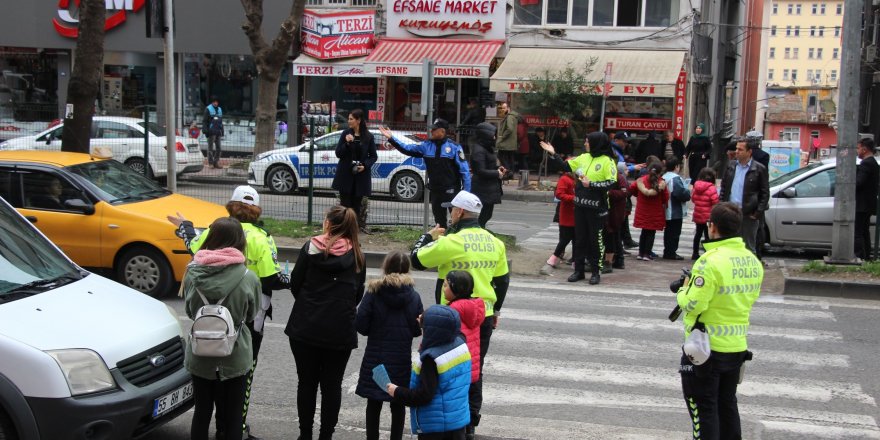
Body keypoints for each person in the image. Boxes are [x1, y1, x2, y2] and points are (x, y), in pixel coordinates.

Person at [168, 185, 285, 440]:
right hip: (241, 336)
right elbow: (271, 280)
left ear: (230, 207)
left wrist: (185, 225)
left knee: (202, 409)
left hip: (201, 346)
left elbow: (194, 246)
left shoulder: (212, 232)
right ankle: (233, 428)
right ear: (256, 210)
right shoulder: (260, 241)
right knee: (235, 399)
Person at [409, 190, 509, 439]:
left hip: (450, 318)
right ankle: (471, 423)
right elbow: (502, 280)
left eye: (451, 209)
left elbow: (416, 260)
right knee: (474, 369)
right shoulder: (495, 242)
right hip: (482, 314)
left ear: (460, 212)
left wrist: (428, 236)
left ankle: (449, 421)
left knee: (444, 368)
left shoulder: (451, 242)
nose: (449, 213)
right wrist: (495, 310)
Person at [676, 202, 762, 440]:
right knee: (727, 405)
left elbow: (694, 304)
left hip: (705, 348)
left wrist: (682, 291)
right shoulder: (752, 261)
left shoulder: (709, 261)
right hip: (736, 346)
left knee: (704, 409)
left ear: (712, 227)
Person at [286, 206, 366, 440]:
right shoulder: (357, 253)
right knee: (332, 385)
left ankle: (305, 434)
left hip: (305, 325)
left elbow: (295, 284)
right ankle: (326, 435)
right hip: (340, 329)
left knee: (306, 382)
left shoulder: (310, 247)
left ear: (328, 224)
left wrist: (310, 303)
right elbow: (357, 293)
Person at [183, 217, 260, 440]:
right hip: (235, 355)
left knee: (202, 413)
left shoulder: (193, 274)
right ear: (239, 241)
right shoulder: (248, 278)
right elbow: (251, 315)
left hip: (200, 355)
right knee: (234, 416)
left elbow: (190, 312)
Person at [356, 251, 424, 440]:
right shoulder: (414, 296)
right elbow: (417, 329)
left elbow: (361, 324)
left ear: (385, 267)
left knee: (374, 402)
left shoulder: (373, 292)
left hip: (375, 357)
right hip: (401, 358)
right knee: (398, 402)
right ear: (406, 270)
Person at [540, 132, 619, 285]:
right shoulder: (583, 158)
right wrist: (553, 154)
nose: (585, 144)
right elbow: (566, 166)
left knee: (595, 241)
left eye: (588, 141)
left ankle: (596, 272)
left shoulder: (607, 161)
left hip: (597, 208)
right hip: (580, 205)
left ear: (596, 143)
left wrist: (593, 185)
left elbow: (611, 183)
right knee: (580, 240)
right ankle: (579, 271)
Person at [387, 305, 472, 440]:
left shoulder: (431, 359)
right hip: (457, 422)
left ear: (431, 330)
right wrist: (427, 319)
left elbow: (424, 395)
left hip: (436, 427)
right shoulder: (460, 343)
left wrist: (396, 391)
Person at [380, 120, 471, 228]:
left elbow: (465, 172)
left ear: (442, 131)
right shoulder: (426, 145)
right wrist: (391, 139)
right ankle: (441, 243)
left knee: (458, 223)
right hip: (436, 192)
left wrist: (466, 194)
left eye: (434, 129)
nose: (431, 131)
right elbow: (407, 149)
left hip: (452, 192)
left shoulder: (454, 147)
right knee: (440, 223)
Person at [444, 270, 486, 420]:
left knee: (455, 401)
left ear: (456, 289)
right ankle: (470, 428)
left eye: (446, 285)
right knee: (467, 399)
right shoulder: (475, 308)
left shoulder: (453, 311)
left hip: (456, 366)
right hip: (471, 366)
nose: (443, 288)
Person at [720, 137, 769, 256]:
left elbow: (765, 193)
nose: (736, 151)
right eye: (736, 149)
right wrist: (722, 205)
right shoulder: (731, 166)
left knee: (748, 248)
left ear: (749, 152)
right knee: (729, 245)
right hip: (731, 212)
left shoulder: (758, 169)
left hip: (748, 214)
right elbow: (724, 187)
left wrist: (757, 212)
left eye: (740, 149)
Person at [333, 109, 378, 234]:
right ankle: (343, 231)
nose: (349, 121)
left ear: (358, 120)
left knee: (356, 206)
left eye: (351, 119)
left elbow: (373, 156)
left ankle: (353, 232)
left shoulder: (368, 136)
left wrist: (365, 165)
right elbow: (338, 153)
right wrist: (347, 144)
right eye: (348, 119)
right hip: (345, 175)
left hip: (360, 176)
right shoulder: (345, 134)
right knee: (344, 205)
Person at [540, 161, 575, 275]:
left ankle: (575, 260)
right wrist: (574, 198)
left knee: (577, 239)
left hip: (577, 214)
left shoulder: (578, 179)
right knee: (565, 238)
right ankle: (554, 258)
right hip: (567, 214)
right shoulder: (565, 179)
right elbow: (559, 194)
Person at [630, 162, 668, 261]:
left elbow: (632, 189)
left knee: (644, 232)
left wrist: (639, 196)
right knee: (651, 232)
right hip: (655, 211)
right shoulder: (661, 183)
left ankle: (640, 253)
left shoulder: (641, 180)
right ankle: (647, 253)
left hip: (642, 210)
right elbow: (665, 197)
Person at [469, 122, 505, 228]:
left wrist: (498, 169)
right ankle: (478, 230)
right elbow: (480, 170)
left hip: (489, 187)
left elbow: (489, 165)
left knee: (487, 213)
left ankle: (481, 228)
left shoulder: (487, 148)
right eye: (493, 135)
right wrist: (496, 173)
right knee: (483, 214)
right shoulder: (478, 150)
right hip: (482, 188)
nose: (495, 137)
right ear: (486, 135)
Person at [662, 156, 692, 260]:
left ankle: (668, 251)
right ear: (676, 167)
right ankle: (671, 252)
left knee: (668, 232)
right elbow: (680, 193)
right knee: (674, 232)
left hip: (666, 208)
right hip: (674, 210)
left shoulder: (664, 176)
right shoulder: (675, 178)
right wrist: (687, 192)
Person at [855, 138, 879, 260]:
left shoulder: (866, 163)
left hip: (862, 204)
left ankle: (860, 257)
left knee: (858, 232)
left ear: (864, 149)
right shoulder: (873, 162)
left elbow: (858, 183)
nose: (857, 151)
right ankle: (866, 257)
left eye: (858, 148)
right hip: (868, 204)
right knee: (864, 231)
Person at [604, 162, 629, 272]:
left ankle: (618, 260)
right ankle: (617, 260)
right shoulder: (611, 177)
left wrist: (609, 193)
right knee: (614, 236)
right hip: (611, 211)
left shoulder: (619, 178)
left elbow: (624, 193)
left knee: (614, 236)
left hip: (616, 212)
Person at [690, 167, 720, 260]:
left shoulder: (696, 186)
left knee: (698, 234)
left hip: (698, 214)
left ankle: (695, 253)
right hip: (708, 216)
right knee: (708, 236)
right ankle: (708, 253)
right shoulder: (711, 188)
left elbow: (693, 199)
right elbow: (715, 202)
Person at [496, 102, 519, 173]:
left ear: (508, 108)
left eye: (504, 108)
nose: (502, 109)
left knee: (501, 156)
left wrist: (502, 136)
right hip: (510, 143)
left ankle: (508, 171)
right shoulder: (512, 116)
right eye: (502, 108)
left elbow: (510, 129)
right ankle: (510, 173)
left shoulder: (509, 117)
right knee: (510, 158)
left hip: (506, 143)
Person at [203, 96, 224, 168]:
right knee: (210, 148)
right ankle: (211, 163)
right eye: (214, 101)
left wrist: (222, 131)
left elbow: (221, 121)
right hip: (211, 132)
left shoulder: (220, 109)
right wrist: (205, 131)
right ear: (212, 102)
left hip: (218, 131)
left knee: (219, 148)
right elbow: (205, 121)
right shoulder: (208, 109)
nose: (215, 103)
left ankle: (216, 162)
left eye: (217, 102)